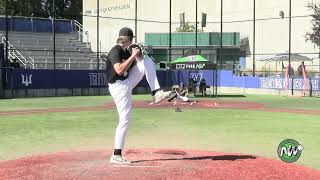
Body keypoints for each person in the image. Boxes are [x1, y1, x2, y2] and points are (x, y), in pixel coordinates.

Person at [107, 27, 171, 164]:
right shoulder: (115, 51)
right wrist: (132, 56)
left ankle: (156, 92)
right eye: (132, 40)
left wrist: (139, 54)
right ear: (129, 39)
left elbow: (142, 64)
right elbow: (119, 70)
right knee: (125, 119)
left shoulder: (126, 50)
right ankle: (116, 155)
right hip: (118, 87)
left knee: (147, 61)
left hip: (127, 82)